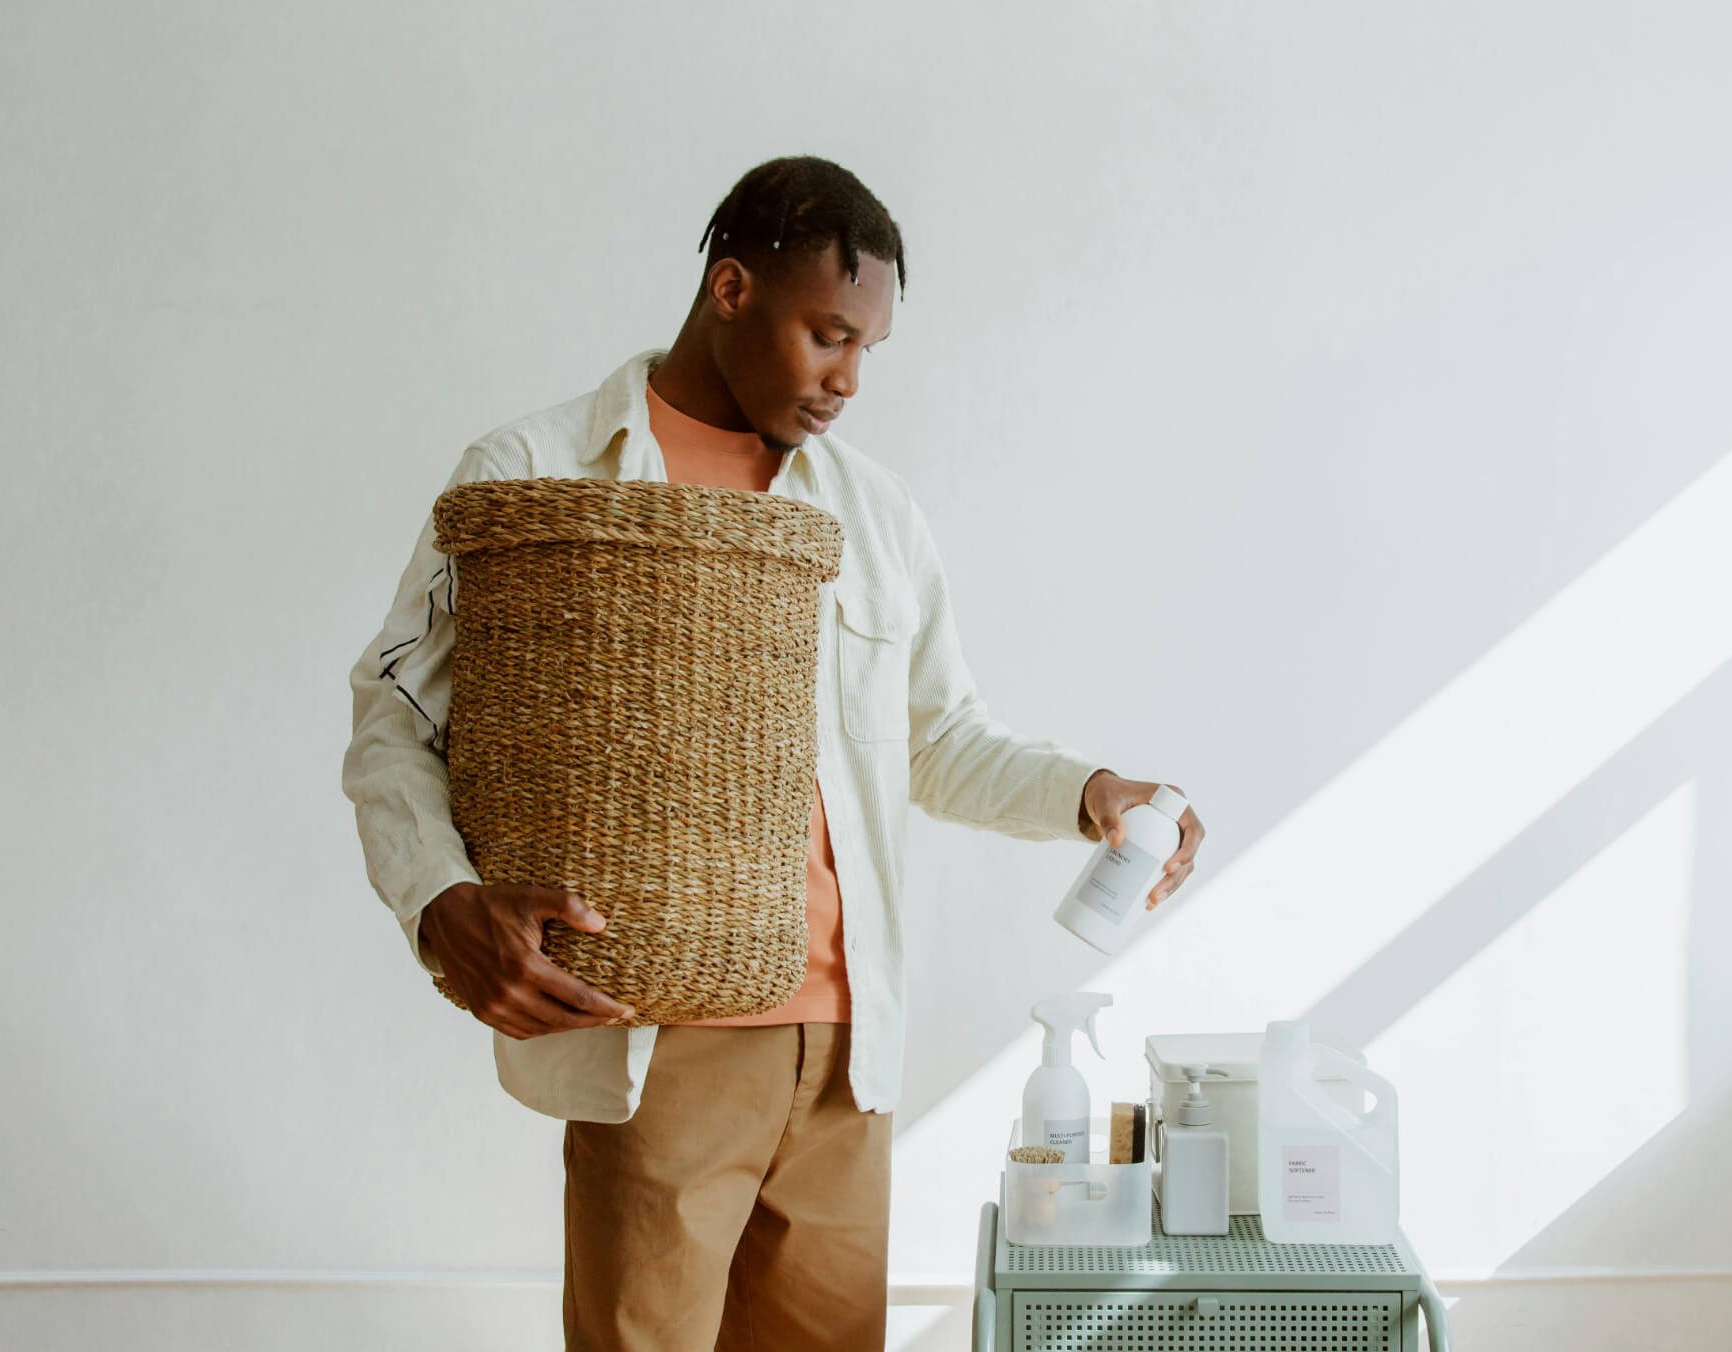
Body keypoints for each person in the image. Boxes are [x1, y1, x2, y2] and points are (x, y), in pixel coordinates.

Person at [340, 154, 1207, 1351]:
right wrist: (440, 900)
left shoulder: (873, 512)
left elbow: (937, 737)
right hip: (660, 1038)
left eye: (869, 351)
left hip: (852, 1052)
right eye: (827, 334)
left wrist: (1093, 793)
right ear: (732, 288)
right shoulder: (529, 476)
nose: (849, 378)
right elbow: (394, 714)